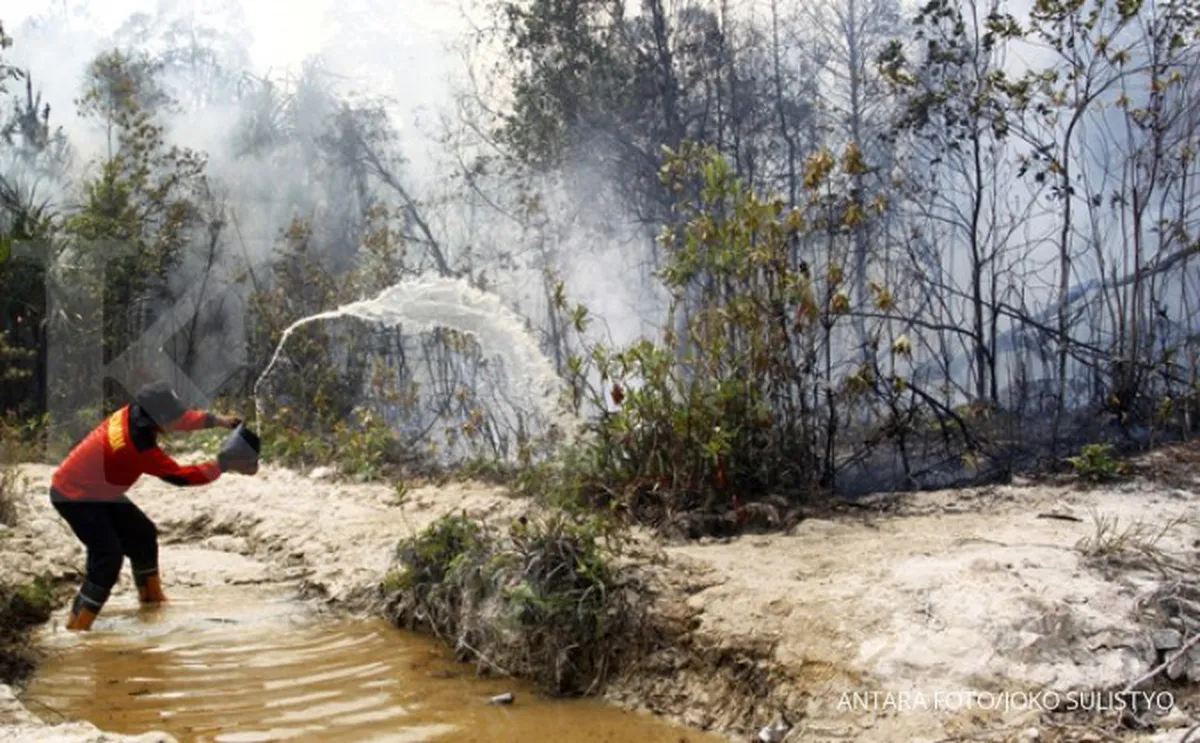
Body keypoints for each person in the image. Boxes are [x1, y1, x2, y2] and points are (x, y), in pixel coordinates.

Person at [49, 382, 256, 631]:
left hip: (97, 490)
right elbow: (180, 476)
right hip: (74, 496)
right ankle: (77, 628)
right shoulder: (135, 444)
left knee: (143, 535)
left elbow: (181, 419)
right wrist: (222, 465)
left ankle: (151, 606)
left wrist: (220, 421)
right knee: (108, 558)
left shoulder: (136, 412)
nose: (177, 419)